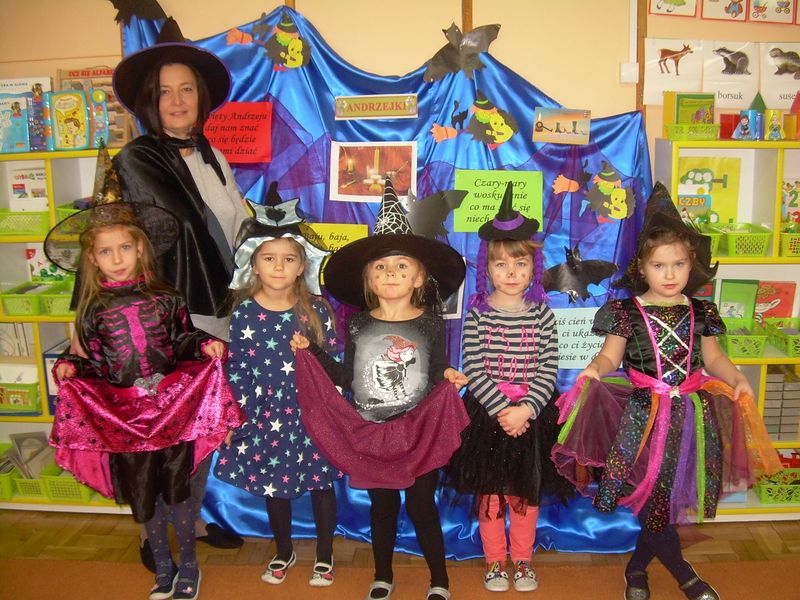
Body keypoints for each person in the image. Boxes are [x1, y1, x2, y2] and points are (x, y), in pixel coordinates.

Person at [551, 183, 782, 600]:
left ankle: (637, 569)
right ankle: (685, 575)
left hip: (690, 417)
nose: (670, 274)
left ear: (692, 265)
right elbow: (609, 357)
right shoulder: (625, 312)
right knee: (649, 498)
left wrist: (736, 377)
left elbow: (713, 358)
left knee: (665, 499)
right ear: (642, 268)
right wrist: (594, 370)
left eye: (678, 264)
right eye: (660, 265)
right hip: (640, 419)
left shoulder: (701, 311)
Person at [45, 195, 243, 600]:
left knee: (178, 491)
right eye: (106, 251)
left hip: (171, 413)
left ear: (140, 248)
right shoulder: (91, 310)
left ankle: (189, 567)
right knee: (145, 495)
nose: (117, 258)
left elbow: (182, 339)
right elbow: (95, 362)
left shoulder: (167, 298)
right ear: (92, 258)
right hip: (125, 421)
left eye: (125, 247)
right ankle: (164, 569)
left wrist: (203, 344)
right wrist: (71, 366)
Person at [110, 17, 249, 564]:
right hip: (165, 319)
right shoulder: (138, 159)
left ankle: (189, 520)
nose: (176, 101)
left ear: (201, 98)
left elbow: (237, 226)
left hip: (216, 311)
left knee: (201, 424)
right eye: (165, 91)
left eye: (186, 89)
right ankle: (153, 535)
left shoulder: (212, 155)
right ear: (150, 101)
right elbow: (172, 230)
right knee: (160, 430)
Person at [290, 179, 469, 600]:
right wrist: (312, 353)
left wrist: (449, 375)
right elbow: (347, 375)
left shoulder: (430, 322)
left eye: (402, 267)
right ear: (368, 279)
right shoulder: (358, 323)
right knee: (383, 507)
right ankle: (383, 575)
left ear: (419, 278)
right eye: (381, 268)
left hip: (419, 430)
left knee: (422, 507)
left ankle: (439, 579)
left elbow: (437, 368)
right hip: (372, 432)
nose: (391, 274)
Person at [446, 183, 568, 593]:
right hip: (489, 414)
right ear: (487, 269)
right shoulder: (478, 315)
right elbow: (474, 367)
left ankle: (523, 560)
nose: (511, 273)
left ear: (533, 266)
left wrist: (526, 409)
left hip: (533, 415)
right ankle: (496, 561)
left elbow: (549, 367)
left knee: (525, 493)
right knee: (492, 494)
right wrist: (503, 410)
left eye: (520, 263)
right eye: (501, 265)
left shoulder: (543, 315)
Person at [214, 195, 341, 587]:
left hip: (314, 414)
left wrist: (336, 409)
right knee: (275, 487)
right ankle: (283, 550)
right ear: (253, 263)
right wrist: (236, 416)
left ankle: (325, 553)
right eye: (269, 258)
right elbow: (237, 369)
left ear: (302, 265)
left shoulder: (316, 310)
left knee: (322, 484)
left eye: (289, 258)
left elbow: (334, 362)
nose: (279, 266)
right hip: (267, 415)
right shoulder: (243, 313)